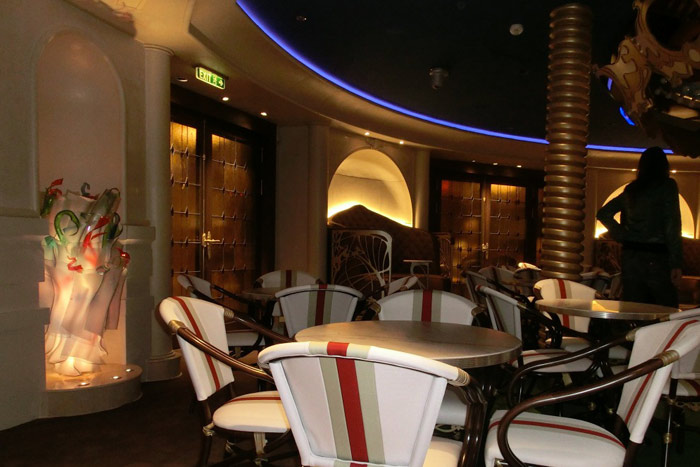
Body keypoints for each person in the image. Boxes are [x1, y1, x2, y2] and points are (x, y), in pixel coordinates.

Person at [596, 146, 682, 307]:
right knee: (664, 309)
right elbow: (672, 225)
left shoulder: (632, 190)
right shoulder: (667, 186)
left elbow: (603, 213)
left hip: (631, 256)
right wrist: (676, 263)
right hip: (657, 256)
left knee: (633, 307)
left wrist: (623, 235)